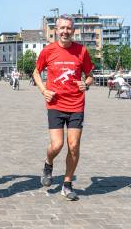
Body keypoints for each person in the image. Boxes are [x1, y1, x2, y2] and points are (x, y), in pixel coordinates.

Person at [33, 15, 94, 201]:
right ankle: (48, 163)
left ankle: (67, 184)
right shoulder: (48, 51)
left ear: (73, 31)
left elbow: (89, 74)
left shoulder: (81, 51)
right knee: (57, 145)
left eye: (69, 28)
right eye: (62, 28)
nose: (65, 31)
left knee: (74, 146)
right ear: (56, 31)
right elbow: (36, 72)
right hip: (55, 104)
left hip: (76, 104)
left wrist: (87, 83)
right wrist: (44, 90)